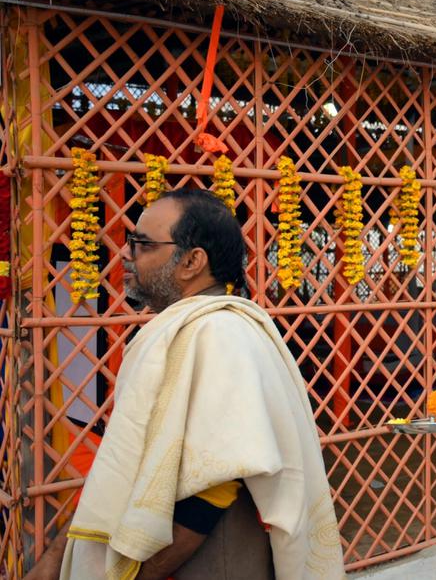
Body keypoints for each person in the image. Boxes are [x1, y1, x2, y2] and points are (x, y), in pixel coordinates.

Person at [28, 189, 344, 580]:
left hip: (206, 561)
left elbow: (212, 490)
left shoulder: (221, 334)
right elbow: (126, 463)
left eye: (142, 245)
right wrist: (57, 557)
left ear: (193, 261)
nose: (126, 254)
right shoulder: (189, 329)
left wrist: (136, 575)